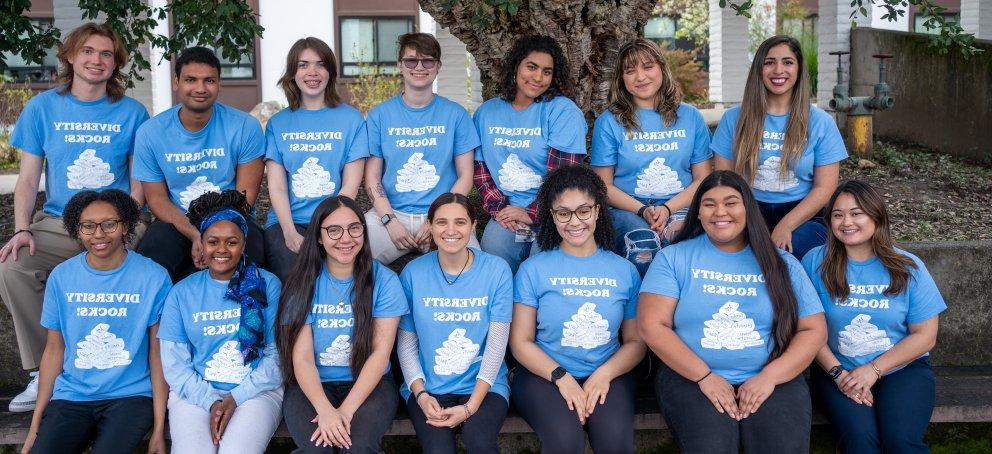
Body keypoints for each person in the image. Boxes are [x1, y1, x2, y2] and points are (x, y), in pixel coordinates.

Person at [0, 22, 150, 413]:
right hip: (59, 222)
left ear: (115, 64)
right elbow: (29, 178)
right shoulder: (42, 108)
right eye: (88, 51)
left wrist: (126, 226)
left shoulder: (132, 112)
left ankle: (122, 377)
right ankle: (43, 373)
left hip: (117, 223)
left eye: (105, 54)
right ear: (70, 56)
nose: (96, 60)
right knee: (13, 267)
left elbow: (139, 183)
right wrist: (20, 229)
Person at [637, 170, 827, 453]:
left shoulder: (781, 262)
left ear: (748, 209)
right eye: (709, 204)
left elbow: (814, 329)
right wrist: (705, 377)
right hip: (690, 377)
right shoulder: (673, 258)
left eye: (730, 202)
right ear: (698, 213)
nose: (719, 212)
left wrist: (770, 377)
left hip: (771, 376)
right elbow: (652, 326)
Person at [22, 189, 171, 454]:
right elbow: (54, 349)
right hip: (72, 395)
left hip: (131, 396)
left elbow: (158, 353)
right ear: (76, 230)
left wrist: (158, 429)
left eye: (109, 224)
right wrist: (36, 426)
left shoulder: (154, 277)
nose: (99, 234)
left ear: (125, 225)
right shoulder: (62, 277)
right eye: (88, 226)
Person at [802, 180, 946, 453]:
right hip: (837, 370)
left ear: (876, 216)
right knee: (860, 439)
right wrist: (839, 374)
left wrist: (873, 370)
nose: (847, 222)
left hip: (901, 370)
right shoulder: (814, 262)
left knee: (900, 441)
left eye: (857, 213)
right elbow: (807, 328)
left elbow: (925, 336)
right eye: (837, 214)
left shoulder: (907, 267)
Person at [510, 166, 645, 453]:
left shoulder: (625, 271)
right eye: (564, 213)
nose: (575, 221)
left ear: (597, 211)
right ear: (552, 216)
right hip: (543, 375)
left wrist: (604, 374)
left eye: (583, 210)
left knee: (615, 443)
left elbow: (636, 343)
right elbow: (520, 342)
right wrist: (562, 378)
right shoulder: (533, 270)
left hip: (608, 372)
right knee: (564, 442)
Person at [276, 196, 408, 452]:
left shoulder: (385, 281)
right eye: (334, 230)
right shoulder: (302, 282)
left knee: (357, 446)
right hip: (311, 385)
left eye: (354, 228)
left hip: (371, 384)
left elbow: (380, 354)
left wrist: (345, 412)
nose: (346, 238)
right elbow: (301, 357)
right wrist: (325, 410)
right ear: (319, 237)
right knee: (317, 448)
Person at [157, 190, 283, 453]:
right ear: (200, 244)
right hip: (194, 393)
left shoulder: (268, 285)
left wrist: (235, 398)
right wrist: (212, 401)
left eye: (231, 242)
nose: (222, 250)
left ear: (244, 243)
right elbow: (175, 364)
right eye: (213, 242)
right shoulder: (181, 292)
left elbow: (277, 357)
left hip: (257, 391)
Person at [133, 46, 266, 282]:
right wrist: (195, 234)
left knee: (252, 253)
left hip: (232, 217)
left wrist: (214, 238)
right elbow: (157, 200)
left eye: (209, 80)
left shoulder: (244, 126)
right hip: (175, 220)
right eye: (190, 80)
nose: (200, 88)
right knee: (150, 260)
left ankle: (246, 316)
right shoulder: (151, 132)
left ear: (219, 84)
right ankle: (160, 318)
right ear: (176, 82)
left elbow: (244, 197)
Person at [711, 35, 847, 259]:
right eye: (769, 62)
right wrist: (750, 223)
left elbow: (825, 189)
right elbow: (725, 180)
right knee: (745, 258)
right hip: (748, 209)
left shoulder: (820, 122)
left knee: (787, 256)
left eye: (787, 62)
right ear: (759, 69)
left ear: (799, 68)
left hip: (805, 214)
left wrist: (786, 225)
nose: (778, 70)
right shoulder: (734, 118)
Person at [397, 193, 513, 454]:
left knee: (479, 441)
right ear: (430, 226)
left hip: (485, 385)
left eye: (460, 222)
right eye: (441, 222)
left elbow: (496, 345)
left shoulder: (497, 271)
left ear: (473, 226)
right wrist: (421, 395)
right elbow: (406, 345)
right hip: (428, 387)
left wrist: (470, 407)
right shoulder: (413, 273)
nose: (451, 230)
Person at [591, 38, 712, 275]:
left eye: (648, 67)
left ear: (661, 69)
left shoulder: (690, 117)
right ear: (621, 79)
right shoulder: (609, 122)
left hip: (681, 204)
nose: (640, 77)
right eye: (630, 71)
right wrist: (642, 211)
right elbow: (602, 186)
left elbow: (703, 180)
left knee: (678, 241)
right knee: (643, 245)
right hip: (627, 208)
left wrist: (667, 209)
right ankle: (639, 310)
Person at [363, 33, 481, 265]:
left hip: (445, 212)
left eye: (427, 61)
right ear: (400, 65)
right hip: (393, 213)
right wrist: (389, 221)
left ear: (438, 67)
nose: (419, 67)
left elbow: (466, 175)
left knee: (474, 267)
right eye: (411, 61)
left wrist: (438, 219)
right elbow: (372, 177)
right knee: (351, 260)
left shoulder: (455, 114)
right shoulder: (380, 115)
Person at [474, 35, 588, 274]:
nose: (538, 77)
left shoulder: (562, 112)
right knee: (493, 258)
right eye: (531, 67)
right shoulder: (486, 112)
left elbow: (565, 178)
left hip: (555, 213)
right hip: (506, 212)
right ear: (516, 66)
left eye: (547, 71)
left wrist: (530, 212)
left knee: (541, 265)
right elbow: (481, 173)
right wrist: (502, 211)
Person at [264, 37, 369, 281]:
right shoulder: (278, 123)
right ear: (292, 73)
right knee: (295, 274)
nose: (312, 72)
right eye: (303, 65)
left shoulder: (352, 120)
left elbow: (350, 186)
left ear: (330, 72)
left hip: (336, 218)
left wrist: (329, 229)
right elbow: (278, 187)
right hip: (287, 222)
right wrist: (289, 232)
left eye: (320, 64)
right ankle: (296, 321)